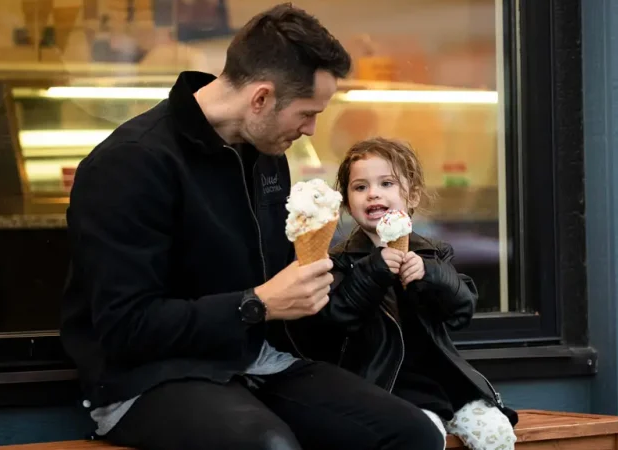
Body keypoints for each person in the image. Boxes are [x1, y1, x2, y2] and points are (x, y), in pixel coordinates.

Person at [61, 4, 447, 449]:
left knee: (413, 433)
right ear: (261, 98)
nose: (311, 129)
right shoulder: (131, 163)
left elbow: (283, 284)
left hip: (255, 361)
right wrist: (257, 303)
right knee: (268, 446)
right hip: (144, 378)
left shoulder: (267, 157)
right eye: (306, 113)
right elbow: (126, 327)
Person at [287, 137, 520, 450]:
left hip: (445, 385)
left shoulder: (433, 253)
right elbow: (337, 317)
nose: (373, 194)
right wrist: (374, 269)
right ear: (346, 203)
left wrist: (431, 276)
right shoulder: (341, 260)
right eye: (360, 187)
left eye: (386, 183)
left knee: (496, 432)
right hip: (384, 389)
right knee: (426, 434)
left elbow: (461, 309)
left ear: (412, 195)